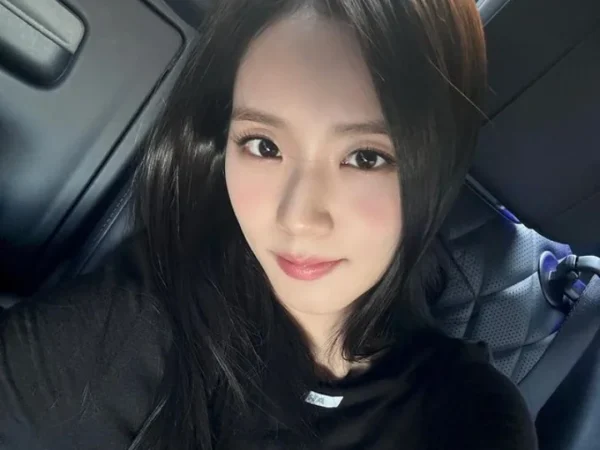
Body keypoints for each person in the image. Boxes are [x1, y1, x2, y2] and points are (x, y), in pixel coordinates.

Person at [0, 0, 537, 449]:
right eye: (264, 146)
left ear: (436, 170)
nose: (298, 218)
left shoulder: (466, 418)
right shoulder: (148, 313)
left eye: (365, 157)